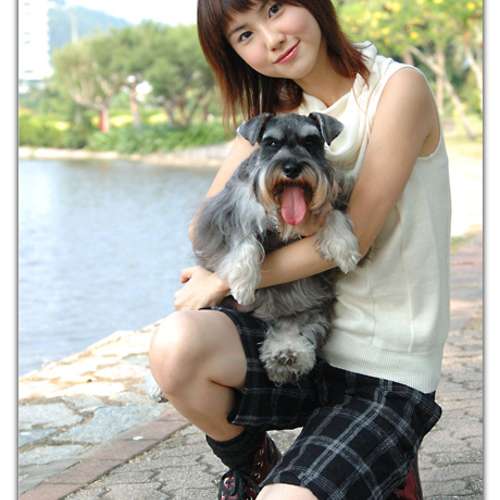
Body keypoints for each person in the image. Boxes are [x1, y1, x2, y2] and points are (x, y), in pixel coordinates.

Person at [149, 1, 451, 499]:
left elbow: (353, 240)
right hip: (291, 336)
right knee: (174, 345)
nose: (270, 39)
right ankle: (254, 464)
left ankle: (384, 466)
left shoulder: (398, 89)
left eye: (273, 9)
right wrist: (255, 204)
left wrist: (222, 278)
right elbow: (201, 224)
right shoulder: (276, 120)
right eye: (244, 35)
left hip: (382, 365)